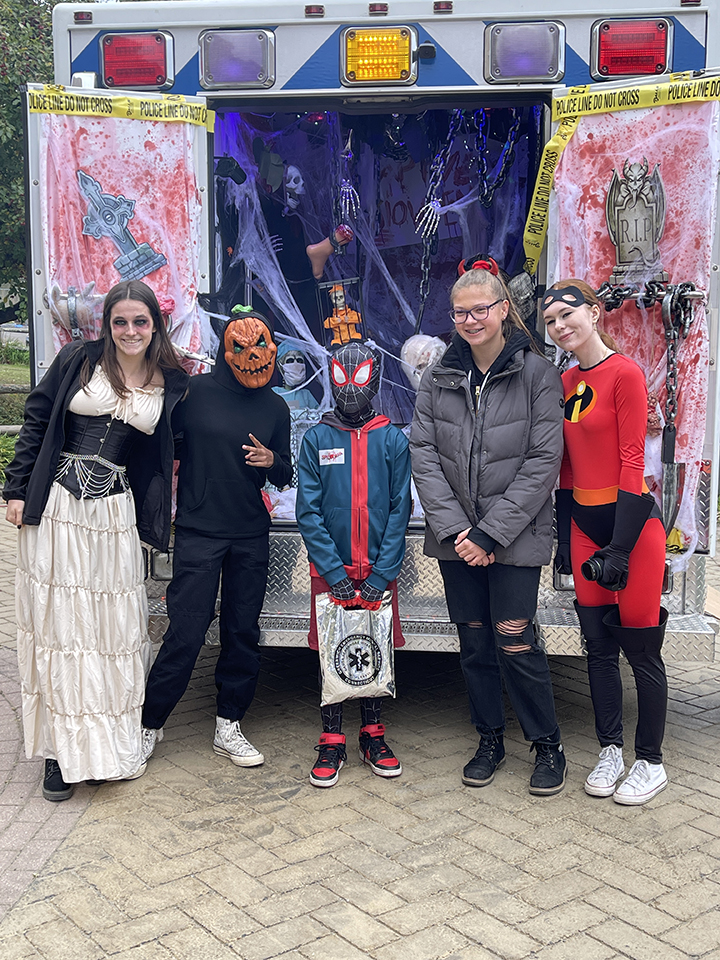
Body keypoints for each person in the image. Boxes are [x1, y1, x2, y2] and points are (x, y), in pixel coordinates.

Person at [3, 280, 189, 800]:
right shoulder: (78, 361)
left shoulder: (172, 381)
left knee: (109, 631)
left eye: (140, 321)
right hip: (59, 510)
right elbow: (38, 420)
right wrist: (16, 489)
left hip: (114, 516)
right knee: (62, 629)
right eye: (120, 321)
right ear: (107, 324)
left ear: (155, 325)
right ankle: (60, 754)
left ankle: (102, 746)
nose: (130, 331)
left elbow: (183, 444)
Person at [410, 267, 567, 796]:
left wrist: (489, 534)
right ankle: (490, 739)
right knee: (474, 641)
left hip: (515, 537)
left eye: (481, 309)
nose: (472, 320)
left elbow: (543, 462)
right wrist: (460, 530)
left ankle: (547, 744)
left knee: (515, 638)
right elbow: (423, 454)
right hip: (456, 540)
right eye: (461, 312)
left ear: (503, 309)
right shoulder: (438, 377)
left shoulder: (537, 374)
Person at [140, 307, 292, 769]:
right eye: (241, 346)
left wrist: (272, 461)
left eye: (261, 345)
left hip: (250, 533)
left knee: (241, 631)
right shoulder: (194, 393)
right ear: (226, 349)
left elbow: (286, 473)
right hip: (199, 531)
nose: (252, 355)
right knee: (186, 630)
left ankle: (230, 722)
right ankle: (149, 723)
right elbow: (161, 447)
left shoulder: (276, 407)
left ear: (273, 349)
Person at [542, 280, 668, 805]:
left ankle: (650, 761)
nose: (559, 326)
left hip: (631, 530)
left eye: (566, 314)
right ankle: (610, 749)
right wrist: (565, 539)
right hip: (584, 527)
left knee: (641, 649)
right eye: (550, 321)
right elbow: (567, 467)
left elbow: (634, 462)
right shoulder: (566, 380)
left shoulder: (626, 374)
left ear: (594, 313)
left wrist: (618, 546)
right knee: (596, 647)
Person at [296, 341, 411, 787]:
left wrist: (382, 572)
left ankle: (373, 734)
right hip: (331, 572)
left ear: (375, 380)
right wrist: (332, 571)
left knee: (373, 647)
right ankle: (331, 739)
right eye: (341, 378)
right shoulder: (316, 439)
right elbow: (308, 511)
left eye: (359, 378)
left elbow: (400, 509)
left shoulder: (392, 439)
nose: (349, 389)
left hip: (378, 569)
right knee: (332, 648)